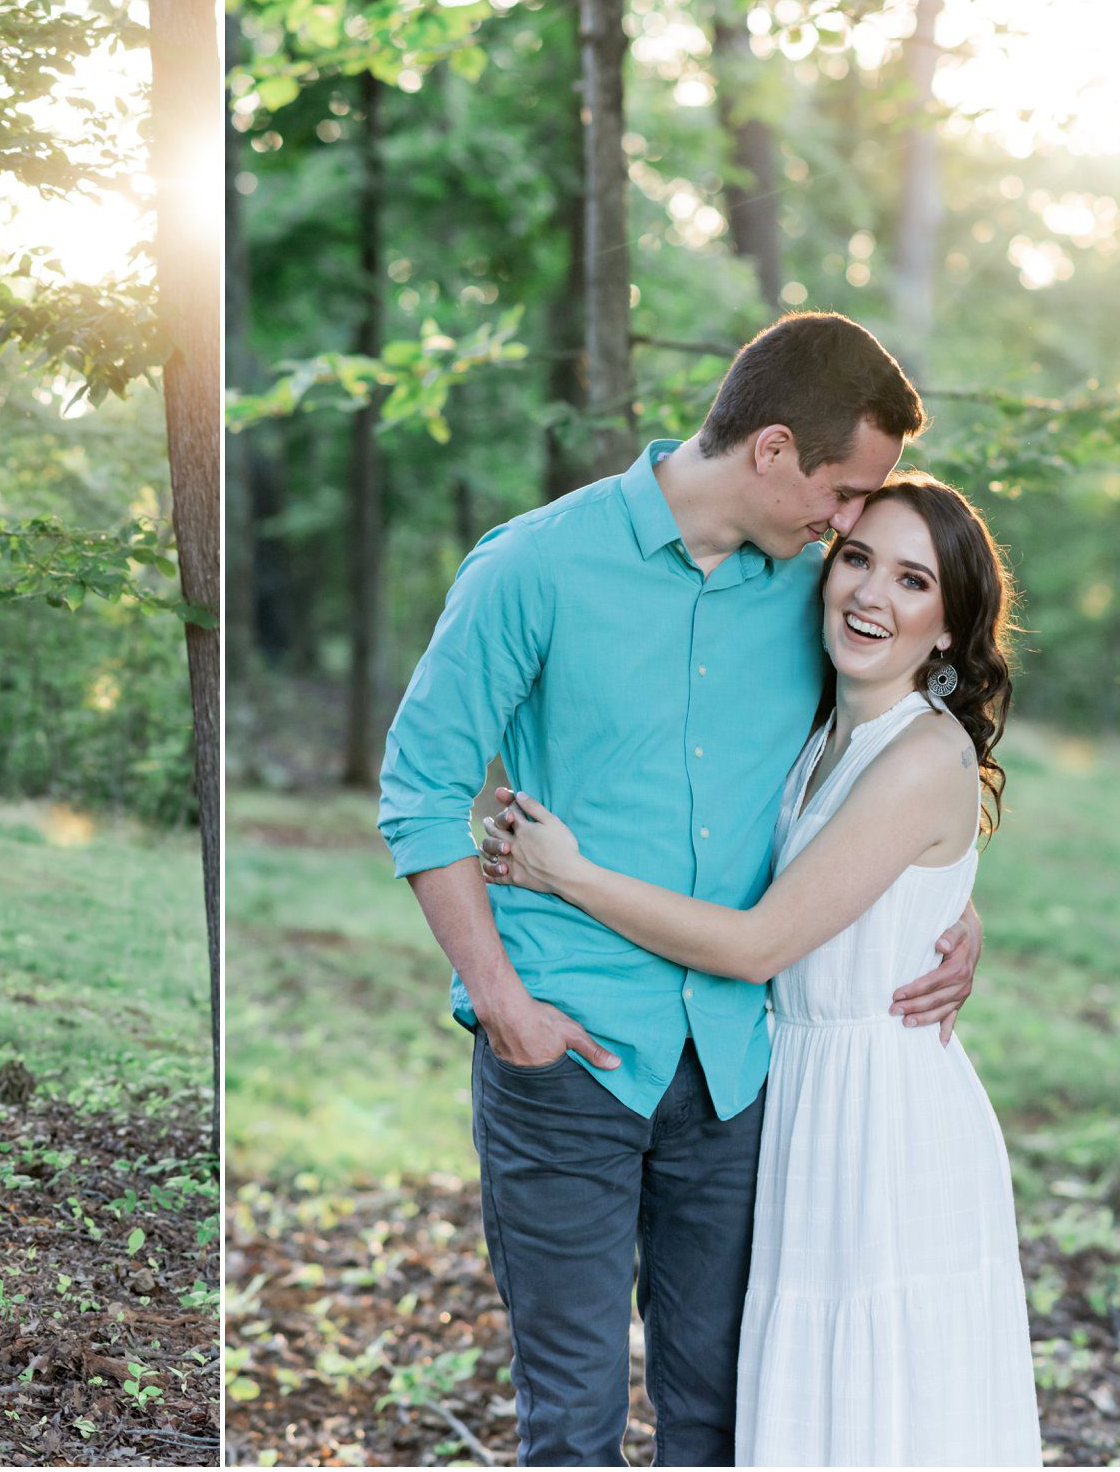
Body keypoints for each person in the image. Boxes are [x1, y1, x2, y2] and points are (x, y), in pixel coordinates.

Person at [377, 313, 983, 1466]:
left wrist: (952, 910)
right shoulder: (533, 566)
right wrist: (502, 1003)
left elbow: (884, 770)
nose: (848, 523)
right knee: (573, 1423)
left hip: (738, 1074)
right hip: (568, 1054)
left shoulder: (813, 594)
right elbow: (418, 791)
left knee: (721, 1420)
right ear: (770, 452)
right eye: (845, 492)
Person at [482, 475, 1039, 1465]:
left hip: (880, 1116)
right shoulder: (821, 723)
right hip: (789, 1090)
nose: (870, 594)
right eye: (857, 559)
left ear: (948, 628)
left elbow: (757, 942)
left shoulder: (919, 755)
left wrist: (568, 875)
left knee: (877, 1406)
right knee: (794, 1401)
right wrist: (952, 912)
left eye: (911, 582)